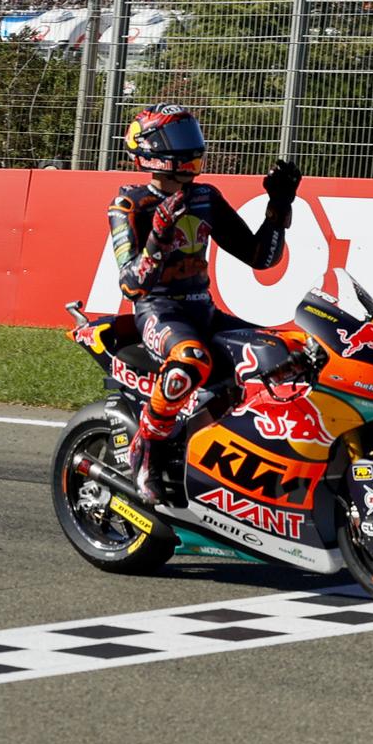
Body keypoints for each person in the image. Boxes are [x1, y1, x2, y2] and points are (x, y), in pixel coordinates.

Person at [108, 104, 307, 503]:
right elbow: (131, 285)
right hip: (158, 311)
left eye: (192, 138)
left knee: (288, 352)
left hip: (204, 309)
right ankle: (145, 448)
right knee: (191, 360)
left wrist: (279, 207)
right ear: (151, 150)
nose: (192, 149)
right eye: (180, 141)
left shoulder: (204, 197)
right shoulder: (128, 205)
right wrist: (157, 239)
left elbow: (260, 258)